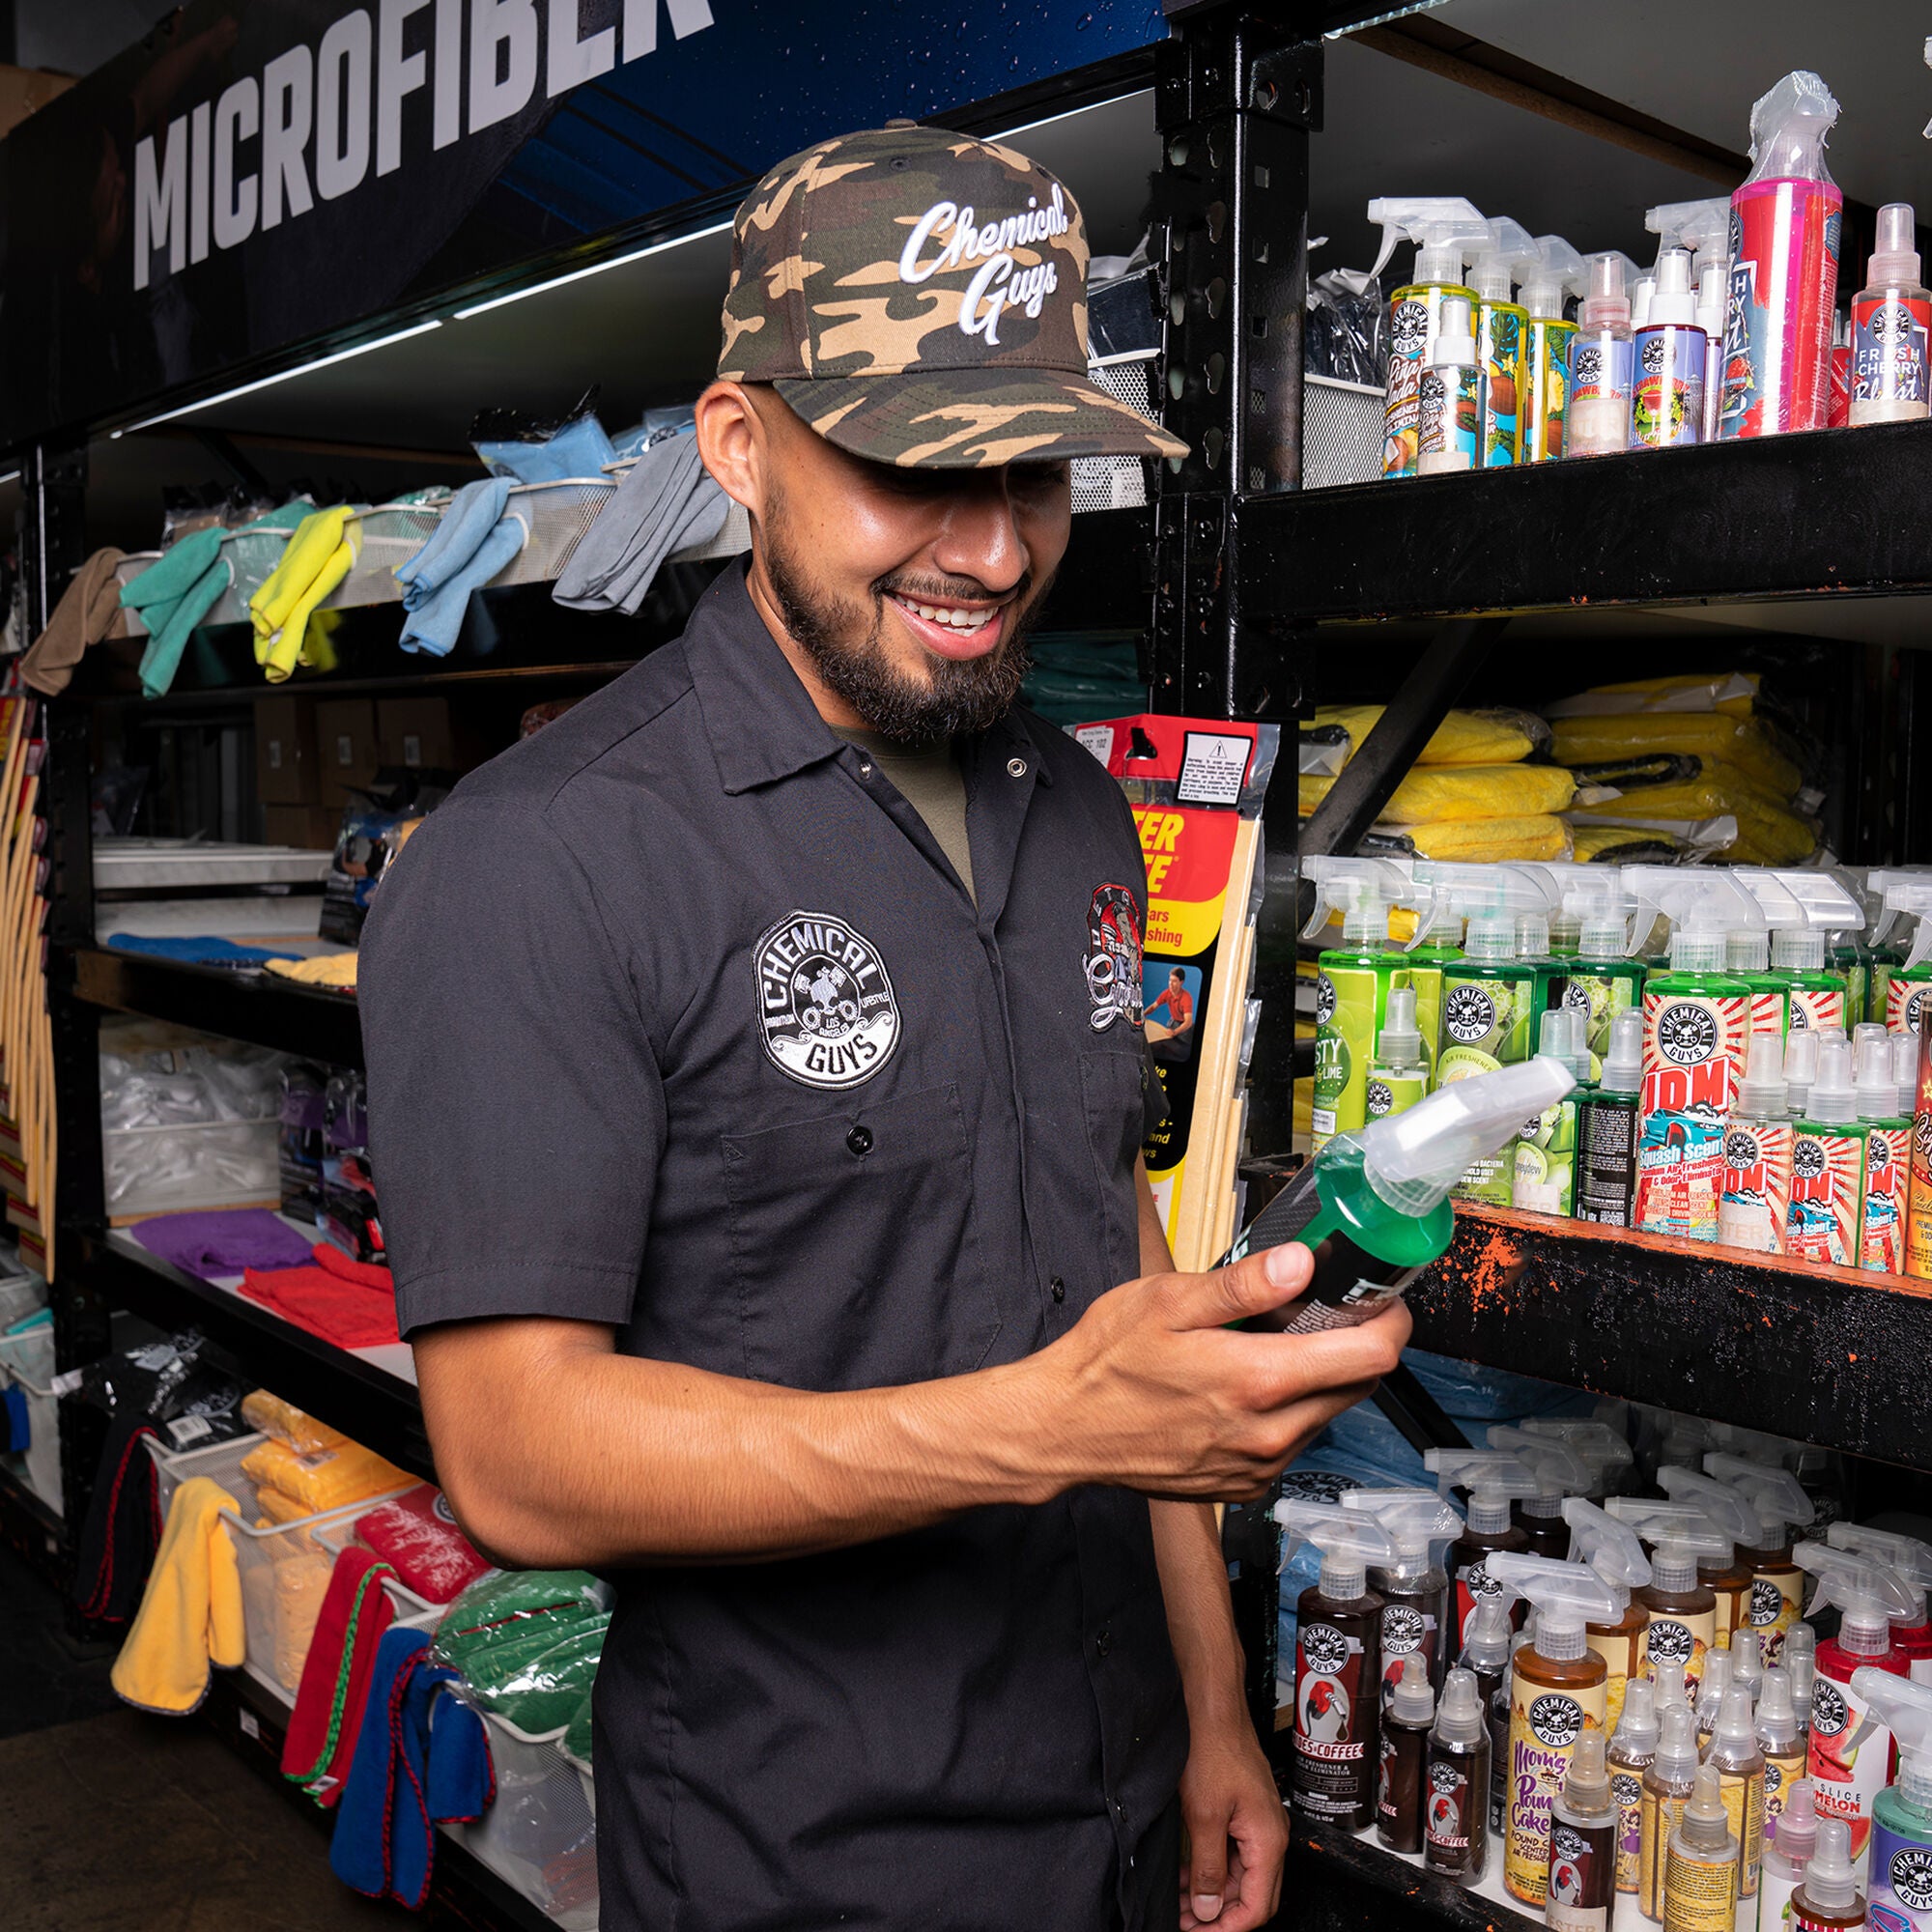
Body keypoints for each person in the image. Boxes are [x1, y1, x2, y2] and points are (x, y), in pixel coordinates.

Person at [360, 122, 1407, 1932]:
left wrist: (1214, 1707)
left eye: (1038, 472)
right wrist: (1045, 1425)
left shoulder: (1079, 810)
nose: (992, 550)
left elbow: (1114, 1254)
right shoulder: (542, 858)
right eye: (916, 467)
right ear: (739, 444)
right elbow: (516, 1452)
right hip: (813, 1857)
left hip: (1121, 1795)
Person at [1147, 967, 1197, 1047]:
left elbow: (1188, 1022)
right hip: (1174, 1022)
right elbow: (1153, 1007)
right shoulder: (1167, 993)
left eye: (1174, 981)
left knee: (1182, 1048)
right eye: (1170, 980)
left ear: (1181, 982)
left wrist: (1175, 1032)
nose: (1170, 983)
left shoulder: (1186, 998)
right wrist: (1142, 1015)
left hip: (1185, 1027)